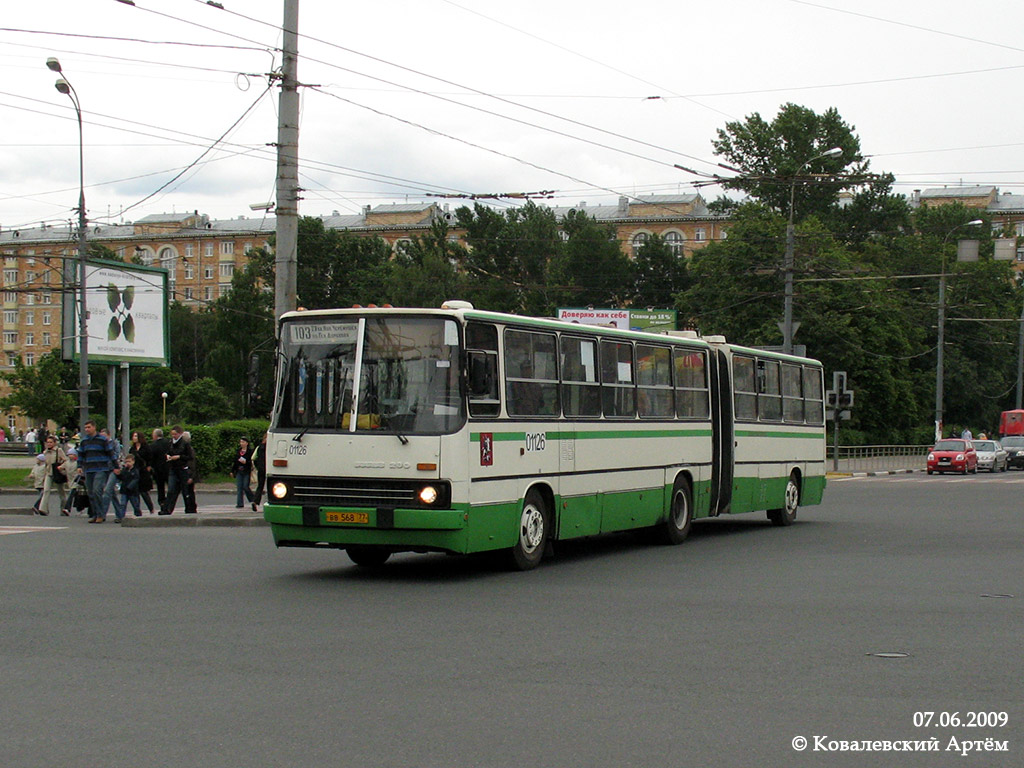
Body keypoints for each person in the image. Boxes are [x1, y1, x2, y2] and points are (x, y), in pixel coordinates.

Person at [77, 420, 118, 523]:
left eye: (89, 427)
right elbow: (81, 455)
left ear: (94, 427)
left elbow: (110, 453)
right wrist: (79, 466)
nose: (87, 429)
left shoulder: (102, 440)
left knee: (97, 490)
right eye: (85, 427)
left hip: (101, 468)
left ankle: (101, 514)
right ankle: (95, 514)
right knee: (90, 492)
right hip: (89, 469)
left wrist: (116, 466)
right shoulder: (84, 441)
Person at [161, 425, 197, 515]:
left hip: (183, 468)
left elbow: (190, 457)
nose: (173, 436)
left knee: (186, 491)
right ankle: (167, 509)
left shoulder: (185, 444)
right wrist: (168, 456)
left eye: (175, 434)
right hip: (173, 468)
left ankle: (189, 509)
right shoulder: (170, 443)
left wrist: (179, 457)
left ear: (180, 434)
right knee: (171, 490)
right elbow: (167, 452)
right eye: (172, 434)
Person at [38, 435, 68, 516]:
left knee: (61, 492)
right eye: (48, 442)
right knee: (46, 490)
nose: (49, 444)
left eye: (51, 442)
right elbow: (45, 464)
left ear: (54, 443)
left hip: (57, 473)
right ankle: (43, 509)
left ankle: (64, 509)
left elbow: (66, 461)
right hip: (49, 473)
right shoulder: (45, 452)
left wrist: (61, 467)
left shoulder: (59, 450)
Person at [129, 431, 156, 514]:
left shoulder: (146, 447)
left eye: (136, 436)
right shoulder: (132, 449)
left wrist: (149, 466)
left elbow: (150, 457)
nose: (134, 438)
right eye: (133, 436)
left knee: (144, 492)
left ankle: (151, 508)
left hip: (143, 471)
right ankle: (137, 510)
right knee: (135, 492)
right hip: (135, 470)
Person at [112, 454, 142, 520]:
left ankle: (138, 515)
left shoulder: (135, 470)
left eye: (129, 461)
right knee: (122, 504)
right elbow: (122, 478)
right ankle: (121, 517)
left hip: (133, 491)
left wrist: (130, 486)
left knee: (135, 505)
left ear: (133, 462)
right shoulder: (124, 470)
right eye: (126, 462)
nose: (127, 463)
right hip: (124, 490)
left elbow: (136, 479)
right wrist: (118, 475)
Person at [230, 436, 255, 509]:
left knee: (245, 486)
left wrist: (246, 462)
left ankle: (252, 499)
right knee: (239, 487)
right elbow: (235, 461)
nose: (242, 443)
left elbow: (252, 461)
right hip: (239, 471)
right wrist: (232, 471)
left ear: (247, 443)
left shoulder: (250, 452)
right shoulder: (238, 451)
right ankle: (239, 503)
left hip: (246, 471)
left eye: (243, 442)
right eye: (241, 442)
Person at [149, 428, 170, 513]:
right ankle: (169, 503)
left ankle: (162, 503)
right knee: (171, 487)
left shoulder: (153, 446)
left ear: (155, 435)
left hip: (158, 470)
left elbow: (151, 458)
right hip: (169, 468)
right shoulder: (168, 443)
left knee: (160, 488)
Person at [60, 449, 80, 516]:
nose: (71, 456)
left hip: (77, 482)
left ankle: (67, 508)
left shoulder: (78, 462)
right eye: (69, 454)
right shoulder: (66, 463)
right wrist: (61, 470)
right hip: (70, 482)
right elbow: (62, 469)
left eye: (72, 454)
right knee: (77, 497)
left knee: (71, 495)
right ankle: (79, 508)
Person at [251, 432, 267, 512]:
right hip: (269, 469)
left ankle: (255, 501)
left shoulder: (259, 447)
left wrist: (258, 466)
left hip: (260, 469)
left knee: (260, 486)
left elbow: (253, 458)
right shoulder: (271, 447)